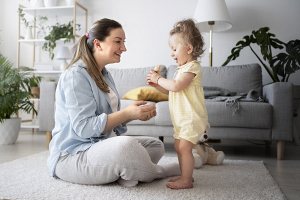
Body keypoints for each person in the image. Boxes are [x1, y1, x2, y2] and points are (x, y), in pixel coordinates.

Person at [47, 18, 181, 187]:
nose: (124, 48)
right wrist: (126, 113)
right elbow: (84, 128)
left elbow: (107, 120)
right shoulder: (75, 76)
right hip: (72, 155)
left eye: (123, 42)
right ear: (98, 44)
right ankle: (160, 171)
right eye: (118, 42)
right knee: (126, 146)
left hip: (99, 146)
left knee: (156, 145)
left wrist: (133, 115)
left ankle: (123, 171)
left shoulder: (105, 74)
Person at [147, 18, 208, 189]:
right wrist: (157, 85)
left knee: (184, 148)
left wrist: (159, 78)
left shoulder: (192, 67)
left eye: (174, 49)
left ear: (188, 49)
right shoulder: (180, 70)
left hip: (191, 117)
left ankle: (186, 181)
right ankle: (185, 175)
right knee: (178, 146)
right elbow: (172, 90)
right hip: (181, 119)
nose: (172, 54)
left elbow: (176, 85)